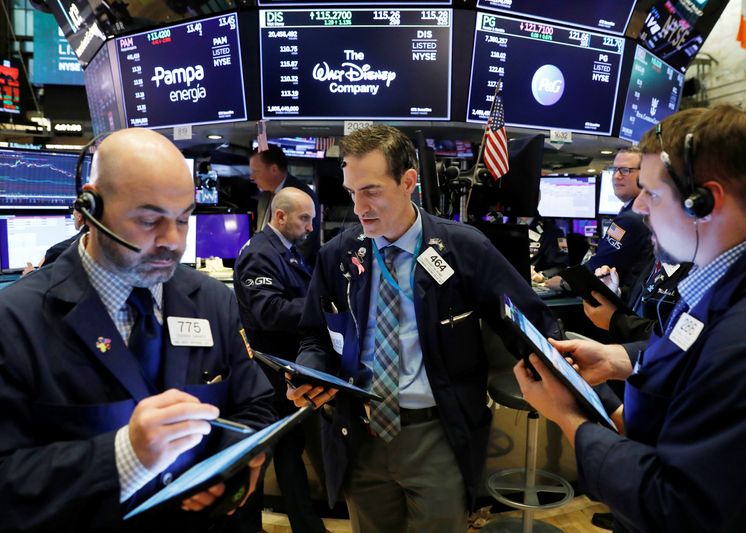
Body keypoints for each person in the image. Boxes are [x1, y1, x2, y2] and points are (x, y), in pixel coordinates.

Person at [514, 105, 746, 532]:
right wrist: (620, 359)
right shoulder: (733, 266)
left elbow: (682, 508)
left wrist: (570, 419)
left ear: (705, 201)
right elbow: (695, 344)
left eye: (652, 192)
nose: (640, 206)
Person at [0, 128, 278, 533]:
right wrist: (123, 457)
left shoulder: (213, 301)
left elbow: (254, 405)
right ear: (91, 205)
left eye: (183, 219)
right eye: (149, 220)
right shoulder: (17, 320)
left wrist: (234, 462)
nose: (172, 241)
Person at [286, 124, 560, 532]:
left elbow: (531, 324)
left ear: (409, 182)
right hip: (359, 435)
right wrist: (307, 370)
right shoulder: (338, 254)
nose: (360, 207)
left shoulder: (463, 247)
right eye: (351, 191)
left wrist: (568, 382)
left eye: (372, 190)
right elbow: (315, 334)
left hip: (437, 436)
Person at [233, 187, 327, 533]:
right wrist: (322, 308)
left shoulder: (284, 250)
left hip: (284, 368)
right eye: (304, 218)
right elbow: (269, 312)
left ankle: (306, 526)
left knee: (288, 451)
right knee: (261, 457)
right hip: (267, 373)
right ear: (281, 216)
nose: (309, 227)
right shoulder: (260, 253)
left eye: (312, 219)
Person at [545, 148, 653, 293]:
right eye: (614, 170)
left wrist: (565, 281)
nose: (616, 176)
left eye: (625, 170)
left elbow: (602, 264)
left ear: (646, 174)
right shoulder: (640, 212)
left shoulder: (631, 218)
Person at [250, 145, 321, 264]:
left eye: (256, 171)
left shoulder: (303, 196)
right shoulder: (264, 197)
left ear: (273, 169)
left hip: (295, 271)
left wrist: (273, 265)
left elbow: (305, 243)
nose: (251, 177)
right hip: (264, 266)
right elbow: (261, 233)